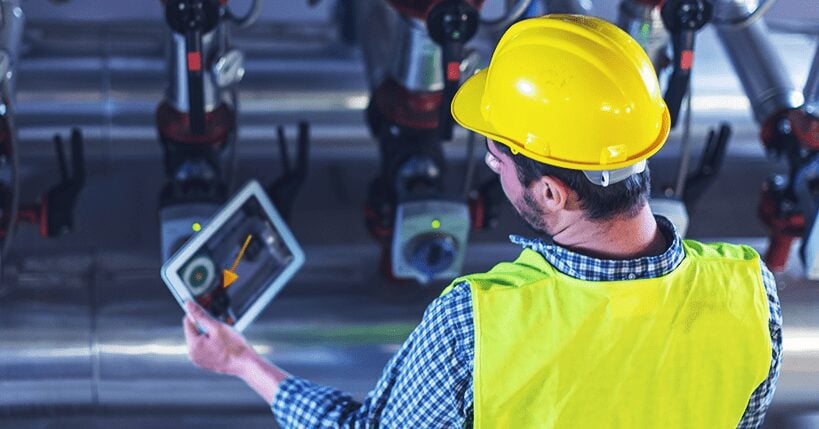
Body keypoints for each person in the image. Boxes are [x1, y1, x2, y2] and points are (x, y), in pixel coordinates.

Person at [183, 14, 782, 428]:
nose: (491, 164)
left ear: (550, 192)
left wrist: (240, 361)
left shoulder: (477, 321)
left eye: (498, 157)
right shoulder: (753, 293)